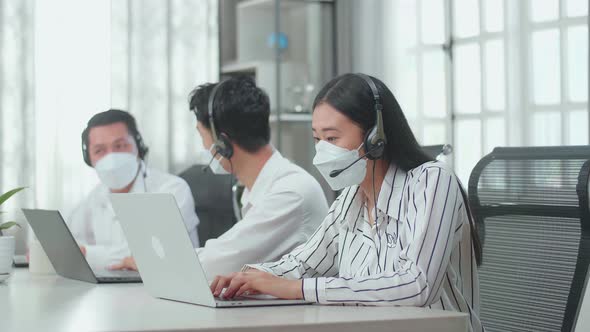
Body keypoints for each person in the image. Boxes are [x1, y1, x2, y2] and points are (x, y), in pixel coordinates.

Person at [210, 74, 484, 332]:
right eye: (317, 139)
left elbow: (417, 284)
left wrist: (299, 289)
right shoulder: (351, 198)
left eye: (332, 138)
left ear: (375, 137)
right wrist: (251, 276)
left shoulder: (433, 181)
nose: (322, 150)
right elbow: (303, 264)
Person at [112, 77, 329, 279]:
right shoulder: (262, 186)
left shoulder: (290, 192)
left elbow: (218, 264)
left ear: (222, 144)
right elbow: (225, 253)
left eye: (201, 135)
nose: (204, 147)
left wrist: (153, 262)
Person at [68, 109, 200, 270]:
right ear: (88, 158)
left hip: (171, 289)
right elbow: (72, 242)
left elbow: (155, 252)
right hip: (112, 291)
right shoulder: (96, 196)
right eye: (99, 150)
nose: (111, 157)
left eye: (120, 146)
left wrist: (87, 255)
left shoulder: (172, 189)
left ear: (138, 146)